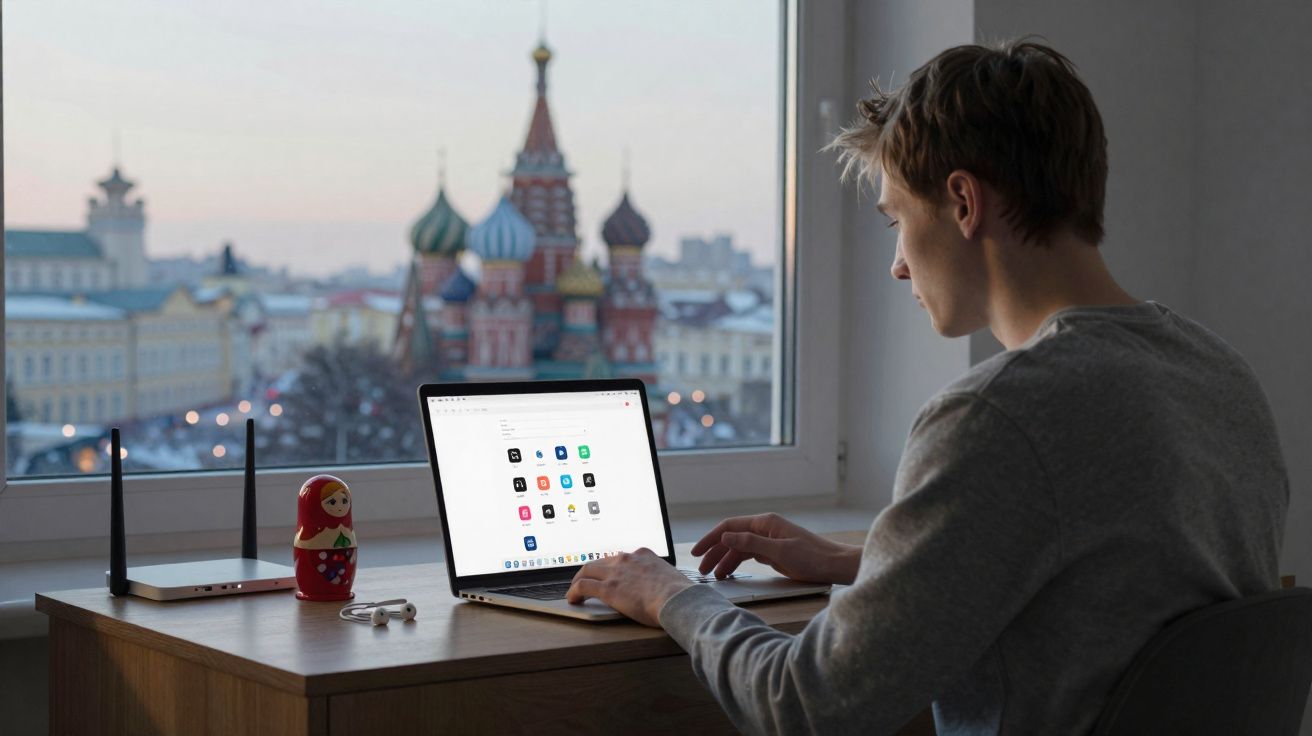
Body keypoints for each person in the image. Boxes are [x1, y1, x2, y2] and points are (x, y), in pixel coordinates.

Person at [566, 39, 1289, 734]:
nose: (899, 265)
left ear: (964, 202)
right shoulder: (1217, 373)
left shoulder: (996, 415)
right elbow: (1115, 584)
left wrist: (671, 594)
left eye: (897, 220)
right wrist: (865, 564)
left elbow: (805, 708)